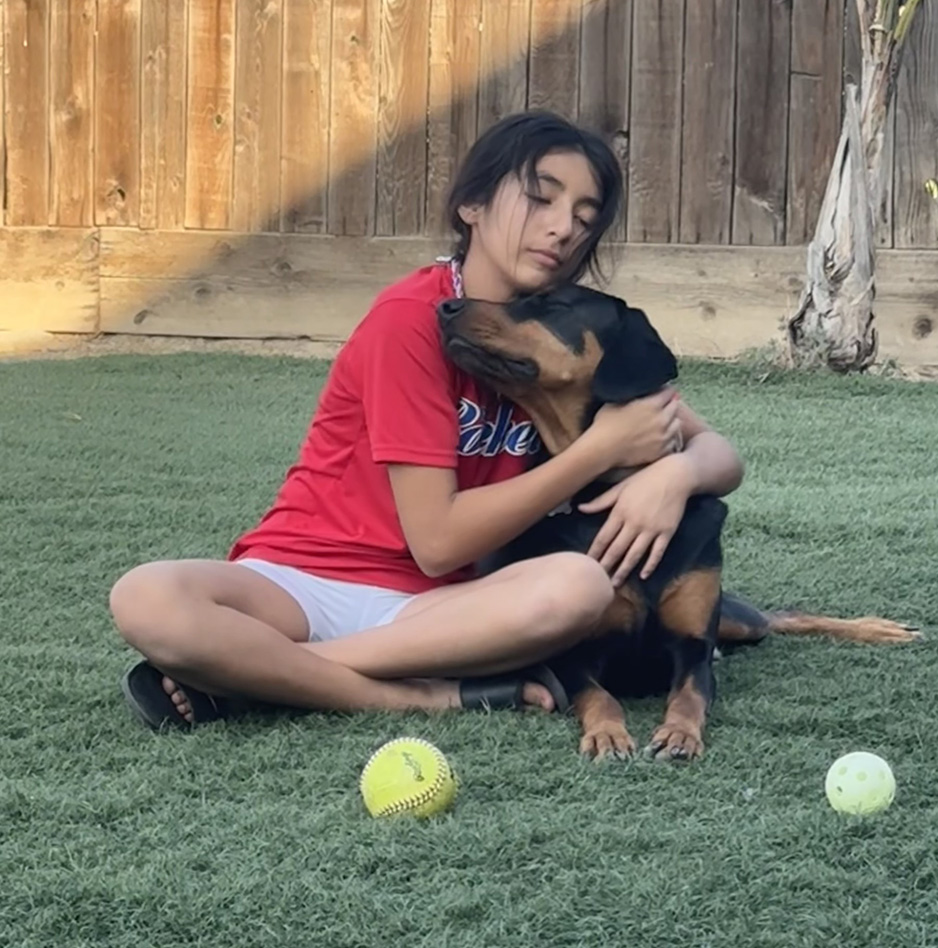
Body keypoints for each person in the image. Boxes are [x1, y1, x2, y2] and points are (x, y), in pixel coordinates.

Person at [112, 110, 745, 729]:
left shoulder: (564, 335)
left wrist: (675, 477)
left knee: (579, 587)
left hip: (435, 614)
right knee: (145, 597)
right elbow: (437, 542)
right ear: (471, 204)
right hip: (302, 582)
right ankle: (418, 699)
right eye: (540, 199)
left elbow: (722, 455)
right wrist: (596, 452)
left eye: (583, 218)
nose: (562, 229)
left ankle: (262, 678)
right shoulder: (411, 319)